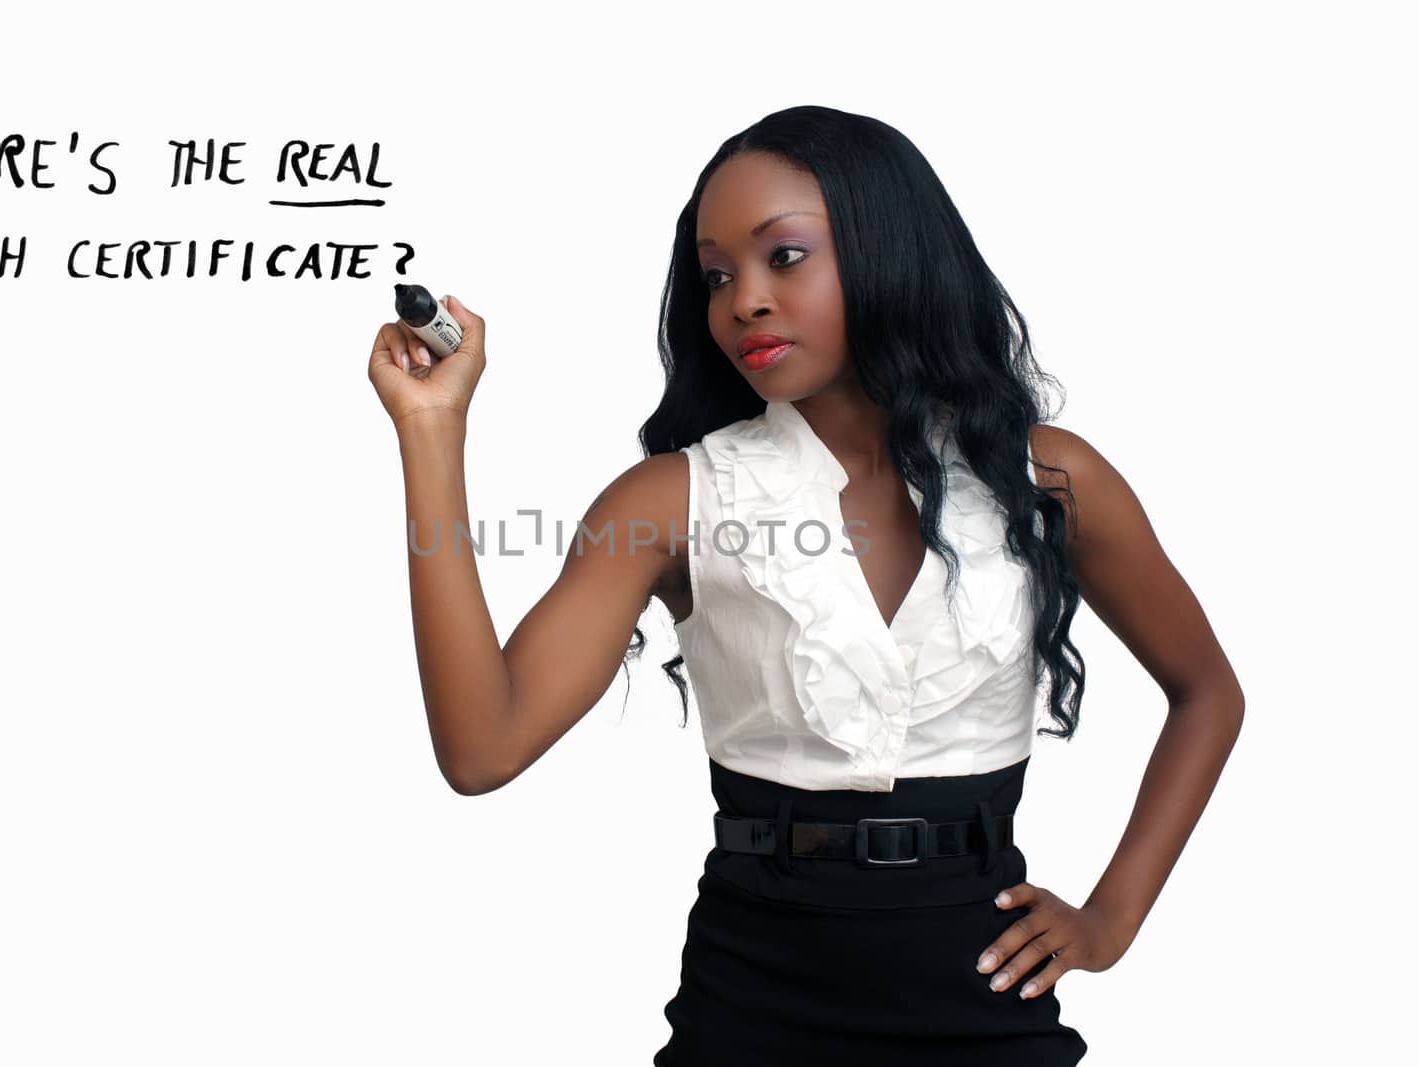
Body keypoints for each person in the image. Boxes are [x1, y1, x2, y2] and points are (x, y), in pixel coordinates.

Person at [367, 105, 1244, 1065]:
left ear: (888, 246)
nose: (742, 299)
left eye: (783, 256)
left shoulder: (1048, 480)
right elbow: (481, 747)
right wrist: (432, 433)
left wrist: (1111, 918)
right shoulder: (673, 498)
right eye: (716, 274)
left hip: (984, 989)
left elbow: (1207, 692)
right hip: (753, 1000)